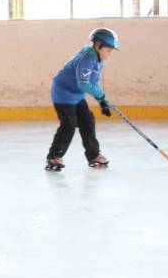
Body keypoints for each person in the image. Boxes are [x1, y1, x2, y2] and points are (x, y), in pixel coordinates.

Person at [46, 27, 118, 171]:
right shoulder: (86, 59)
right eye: (108, 50)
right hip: (63, 93)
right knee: (69, 125)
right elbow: (84, 84)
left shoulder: (98, 59)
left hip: (76, 94)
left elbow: (93, 82)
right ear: (98, 46)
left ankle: (93, 155)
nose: (109, 54)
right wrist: (100, 95)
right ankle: (54, 156)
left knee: (87, 122)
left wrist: (101, 101)